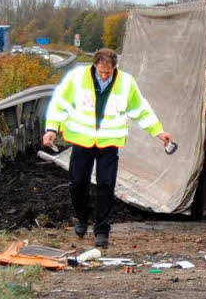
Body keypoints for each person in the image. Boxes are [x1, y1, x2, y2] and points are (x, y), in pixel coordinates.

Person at [41, 48, 172, 249]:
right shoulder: (76, 78)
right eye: (101, 72)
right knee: (78, 183)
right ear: (94, 66)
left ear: (114, 68)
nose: (104, 76)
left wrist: (158, 131)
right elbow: (59, 104)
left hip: (109, 142)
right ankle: (83, 218)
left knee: (106, 185)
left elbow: (141, 109)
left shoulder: (126, 83)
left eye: (108, 73)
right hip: (82, 140)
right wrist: (51, 129)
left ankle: (102, 230)